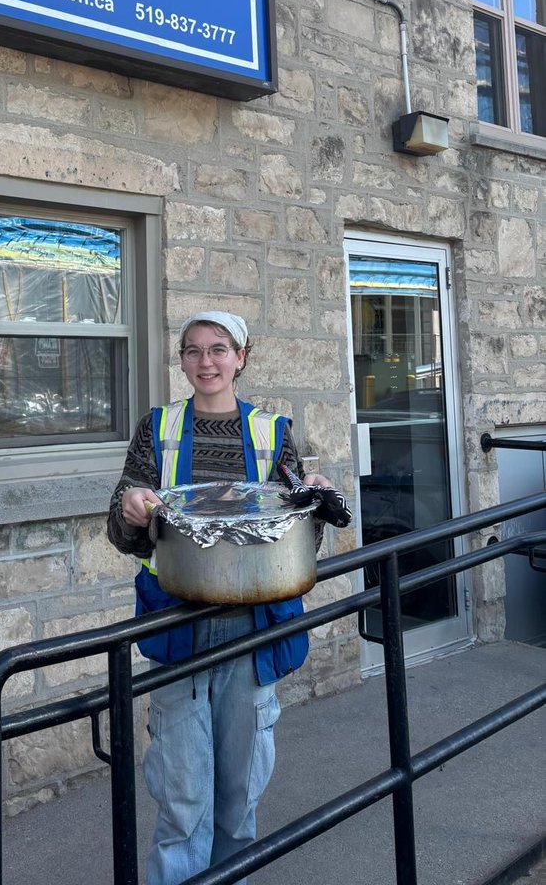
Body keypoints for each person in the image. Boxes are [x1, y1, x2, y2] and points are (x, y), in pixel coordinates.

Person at [106, 310, 348, 885]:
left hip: (254, 624)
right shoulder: (156, 429)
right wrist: (130, 506)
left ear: (242, 357)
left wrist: (311, 499)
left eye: (219, 349)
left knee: (239, 801)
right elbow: (121, 531)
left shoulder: (274, 432)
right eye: (192, 351)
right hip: (176, 621)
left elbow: (301, 535)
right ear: (182, 360)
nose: (205, 362)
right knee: (183, 802)